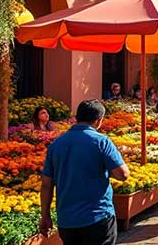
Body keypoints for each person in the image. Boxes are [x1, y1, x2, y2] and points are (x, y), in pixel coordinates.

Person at [40, 100, 129, 245]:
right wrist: (105, 170)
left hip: (67, 220)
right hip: (98, 216)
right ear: (98, 120)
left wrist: (45, 215)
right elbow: (122, 174)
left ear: (77, 117)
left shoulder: (56, 145)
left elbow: (46, 185)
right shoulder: (101, 141)